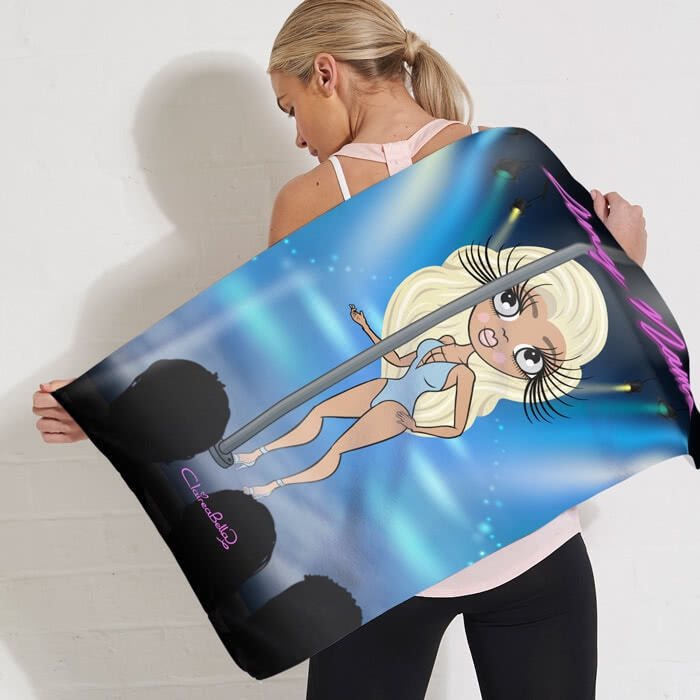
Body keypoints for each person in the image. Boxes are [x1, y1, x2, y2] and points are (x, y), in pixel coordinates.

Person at [33, 0, 648, 697]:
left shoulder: (308, 200)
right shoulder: (505, 155)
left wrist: (109, 411)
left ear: (326, 73)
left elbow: (262, 368)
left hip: (384, 564)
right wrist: (627, 262)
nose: (297, 135)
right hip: (535, 547)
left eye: (291, 108)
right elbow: (590, 342)